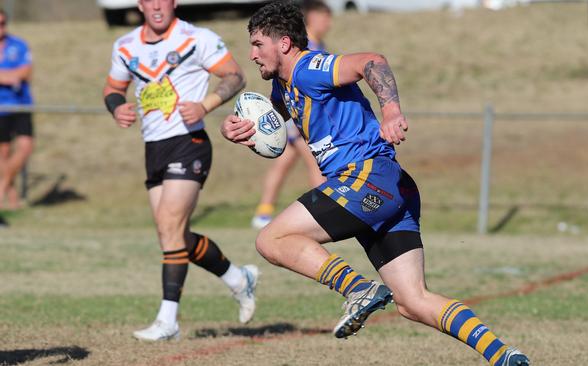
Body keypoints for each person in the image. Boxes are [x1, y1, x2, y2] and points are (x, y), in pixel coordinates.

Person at [221, 2, 530, 365]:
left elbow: (372, 61)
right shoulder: (284, 87)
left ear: (284, 43)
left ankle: (357, 288)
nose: (252, 54)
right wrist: (241, 130)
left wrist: (391, 110)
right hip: (391, 188)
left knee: (270, 239)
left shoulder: (309, 68)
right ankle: (503, 355)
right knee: (412, 301)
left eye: (258, 44)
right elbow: (273, 128)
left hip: (368, 178)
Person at [103, 0, 258, 341]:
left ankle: (168, 321)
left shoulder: (196, 38)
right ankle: (238, 278)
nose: (157, 5)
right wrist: (117, 109)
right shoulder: (125, 45)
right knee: (174, 236)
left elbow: (235, 75)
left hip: (189, 143)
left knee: (170, 227)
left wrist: (206, 104)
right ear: (140, 4)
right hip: (153, 148)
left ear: (173, 3)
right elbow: (113, 90)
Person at [250, 0, 332, 229]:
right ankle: (324, 213)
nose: (329, 23)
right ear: (312, 17)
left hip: (297, 120)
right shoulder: (307, 48)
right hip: (298, 121)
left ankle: (263, 211)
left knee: (283, 163)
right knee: (317, 165)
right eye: (324, 17)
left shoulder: (317, 43)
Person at [0, 9, 34, 210]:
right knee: (3, 154)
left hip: (20, 104)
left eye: (3, 23)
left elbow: (25, 73)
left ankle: (2, 188)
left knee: (25, 147)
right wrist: (9, 75)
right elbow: (14, 75)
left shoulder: (18, 45)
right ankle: (11, 200)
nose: (1, 27)